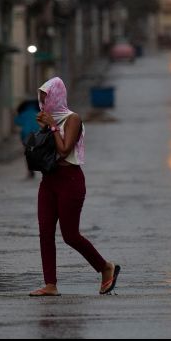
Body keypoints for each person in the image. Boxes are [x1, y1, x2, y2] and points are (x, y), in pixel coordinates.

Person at [29, 77, 120, 297]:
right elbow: (48, 151)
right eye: (41, 99)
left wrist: (52, 126)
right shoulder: (49, 120)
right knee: (45, 232)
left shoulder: (73, 119)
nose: (43, 103)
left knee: (70, 235)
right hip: (49, 180)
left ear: (57, 97)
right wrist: (45, 129)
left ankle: (105, 267)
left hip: (70, 180)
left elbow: (64, 150)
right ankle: (50, 284)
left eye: (46, 98)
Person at [15, 99, 41, 178]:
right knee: (36, 151)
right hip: (37, 134)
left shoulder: (23, 113)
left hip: (25, 135)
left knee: (28, 153)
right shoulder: (38, 113)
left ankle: (30, 170)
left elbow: (17, 121)